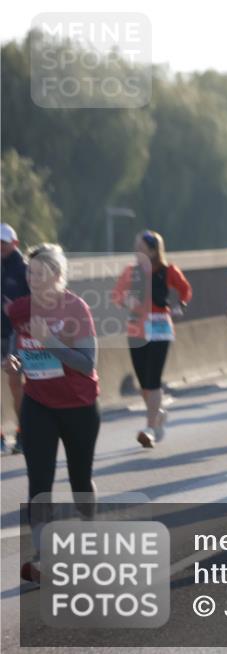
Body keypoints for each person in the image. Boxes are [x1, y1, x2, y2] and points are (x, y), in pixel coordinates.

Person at [4, 244, 100, 585]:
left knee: (79, 481)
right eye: (30, 273)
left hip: (78, 405)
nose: (33, 280)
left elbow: (88, 363)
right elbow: (18, 340)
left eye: (41, 274)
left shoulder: (76, 308)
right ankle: (44, 556)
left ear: (58, 277)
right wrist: (12, 360)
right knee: (39, 482)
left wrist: (52, 343)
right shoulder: (21, 308)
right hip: (38, 402)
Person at [112, 231, 192, 448]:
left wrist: (180, 305)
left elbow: (185, 290)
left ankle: (149, 428)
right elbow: (116, 295)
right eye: (135, 246)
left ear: (153, 250)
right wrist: (125, 300)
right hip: (136, 330)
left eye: (141, 247)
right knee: (143, 383)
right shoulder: (130, 272)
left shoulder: (168, 271)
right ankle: (158, 414)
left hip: (159, 328)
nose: (136, 250)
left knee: (153, 379)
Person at [2, 224, 29, 455]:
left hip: (16, 333)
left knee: (15, 383)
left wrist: (16, 310)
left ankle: (23, 432)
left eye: (3, 242)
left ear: (15, 243)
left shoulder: (25, 269)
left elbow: (36, 302)